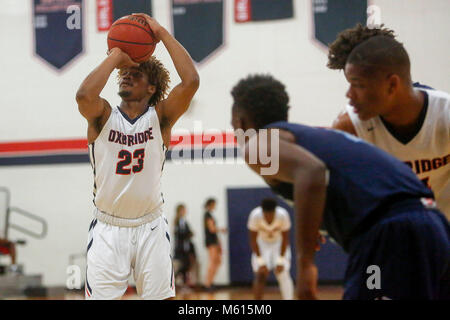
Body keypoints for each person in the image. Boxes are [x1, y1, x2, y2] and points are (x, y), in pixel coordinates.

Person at [230, 74, 450, 300]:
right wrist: (318, 222)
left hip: (388, 233)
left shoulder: (256, 145)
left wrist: (305, 266)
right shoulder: (318, 137)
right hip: (433, 225)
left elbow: (312, 172)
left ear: (241, 122)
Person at [75, 13, 199, 300]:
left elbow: (191, 81)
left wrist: (162, 33)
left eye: (136, 74)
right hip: (108, 227)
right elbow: (83, 96)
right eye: (124, 74)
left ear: (151, 88)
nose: (127, 76)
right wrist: (116, 57)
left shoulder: (162, 118)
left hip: (151, 226)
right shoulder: (103, 115)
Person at [328, 24, 450, 219]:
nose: (350, 95)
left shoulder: (444, 115)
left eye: (359, 84)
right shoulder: (349, 125)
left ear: (392, 83)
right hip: (394, 235)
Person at [247, 198, 294, 300]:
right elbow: (253, 240)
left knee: (283, 273)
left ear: (275, 211)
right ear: (262, 212)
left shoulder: (283, 215)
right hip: (262, 244)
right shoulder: (255, 216)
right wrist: (261, 262)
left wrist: (281, 260)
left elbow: (285, 239)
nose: (268, 217)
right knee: (260, 275)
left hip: (279, 244)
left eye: (271, 215)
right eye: (266, 215)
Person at [203, 198, 226, 290]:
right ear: (210, 204)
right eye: (214, 204)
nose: (215, 206)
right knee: (212, 262)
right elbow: (212, 229)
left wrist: (219, 242)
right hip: (211, 242)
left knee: (218, 261)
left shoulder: (209, 215)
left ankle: (210, 282)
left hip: (214, 241)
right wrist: (221, 229)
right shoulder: (207, 215)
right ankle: (207, 284)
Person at [173, 204, 198, 288]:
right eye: (184, 210)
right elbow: (180, 234)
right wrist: (189, 233)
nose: (185, 211)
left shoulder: (184, 221)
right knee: (182, 266)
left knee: (186, 266)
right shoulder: (178, 221)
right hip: (181, 249)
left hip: (186, 249)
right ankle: (174, 282)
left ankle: (183, 284)